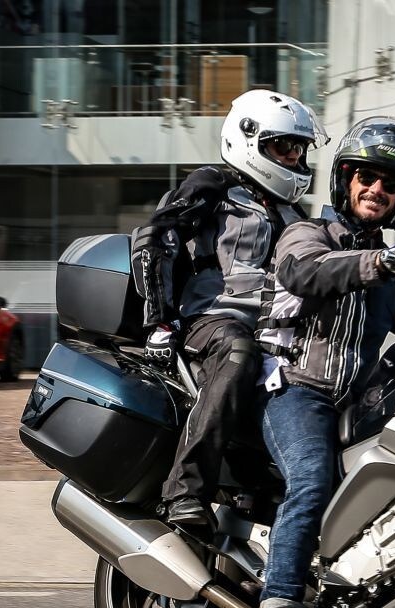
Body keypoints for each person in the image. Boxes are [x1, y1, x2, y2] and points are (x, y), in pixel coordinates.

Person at [250, 116, 395, 608]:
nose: (377, 190)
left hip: (357, 408)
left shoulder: (392, 272)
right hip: (295, 391)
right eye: (367, 177)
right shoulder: (307, 234)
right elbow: (306, 273)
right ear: (346, 180)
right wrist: (383, 263)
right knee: (312, 481)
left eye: (390, 184)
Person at [132, 89, 327, 531]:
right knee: (238, 352)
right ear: (249, 139)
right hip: (210, 322)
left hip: (273, 335)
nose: (295, 157)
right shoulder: (214, 185)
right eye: (284, 146)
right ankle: (184, 492)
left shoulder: (295, 214)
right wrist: (160, 321)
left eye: (299, 148)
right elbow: (155, 238)